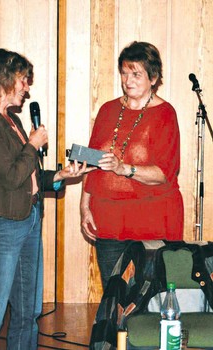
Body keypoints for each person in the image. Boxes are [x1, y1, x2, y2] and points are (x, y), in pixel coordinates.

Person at [0, 48, 92, 350]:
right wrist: (33, 144)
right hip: (0, 226)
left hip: (28, 220)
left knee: (27, 312)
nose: (27, 88)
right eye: (23, 80)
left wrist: (59, 177)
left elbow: (29, 176)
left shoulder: (9, 120)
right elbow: (10, 176)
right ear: (3, 79)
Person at [80, 41, 184, 290]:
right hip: (107, 218)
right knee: (113, 294)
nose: (128, 80)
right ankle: (115, 332)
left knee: (150, 296)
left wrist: (123, 168)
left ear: (153, 77)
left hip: (152, 219)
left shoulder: (165, 114)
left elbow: (163, 174)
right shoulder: (107, 110)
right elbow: (91, 163)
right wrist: (85, 207)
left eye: (136, 74)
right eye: (124, 73)